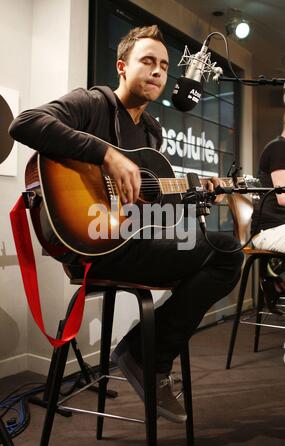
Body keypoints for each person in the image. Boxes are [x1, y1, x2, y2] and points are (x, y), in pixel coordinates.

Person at [9, 25, 243, 423]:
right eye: (147, 61)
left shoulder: (151, 132)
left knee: (221, 248)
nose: (157, 72)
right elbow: (25, 123)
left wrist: (199, 192)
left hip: (125, 240)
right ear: (122, 66)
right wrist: (105, 154)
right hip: (89, 245)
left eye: (164, 66)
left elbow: (147, 201)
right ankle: (147, 358)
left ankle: (145, 353)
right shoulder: (92, 103)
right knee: (226, 254)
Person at [251, 112, 285, 311]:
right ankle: (273, 274)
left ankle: (274, 276)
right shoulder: (279, 148)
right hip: (270, 230)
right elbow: (283, 197)